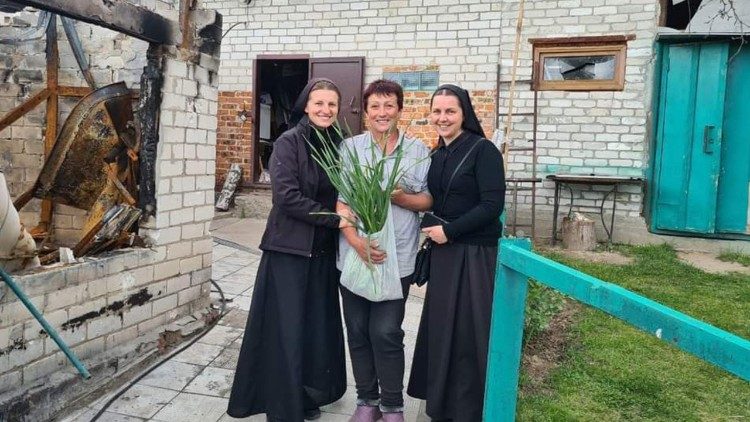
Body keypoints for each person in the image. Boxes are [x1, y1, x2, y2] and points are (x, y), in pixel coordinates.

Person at [227, 78, 351, 422]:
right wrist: (334, 220)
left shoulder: (338, 144)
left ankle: (307, 392)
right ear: (305, 106)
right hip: (289, 251)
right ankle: (282, 405)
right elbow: (286, 197)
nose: (325, 110)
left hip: (324, 253)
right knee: (287, 329)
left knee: (314, 328)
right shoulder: (289, 142)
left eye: (332, 105)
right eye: (319, 103)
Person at [407, 84, 505, 422]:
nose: (442, 117)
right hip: (446, 252)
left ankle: (467, 410)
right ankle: (443, 404)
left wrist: (450, 230)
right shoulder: (438, 152)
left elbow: (493, 205)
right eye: (437, 111)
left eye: (450, 111)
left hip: (475, 253)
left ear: (464, 113)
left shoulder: (483, 150)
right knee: (443, 327)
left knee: (468, 332)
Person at [336, 79, 432, 422]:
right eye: (375, 106)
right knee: (358, 329)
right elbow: (342, 201)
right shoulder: (351, 148)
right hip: (355, 254)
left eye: (389, 106)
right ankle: (367, 402)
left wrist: (399, 196)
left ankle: (393, 405)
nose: (381, 113)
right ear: (366, 112)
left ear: (400, 110)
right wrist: (355, 240)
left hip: (398, 255)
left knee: (386, 330)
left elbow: (427, 199)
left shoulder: (418, 150)